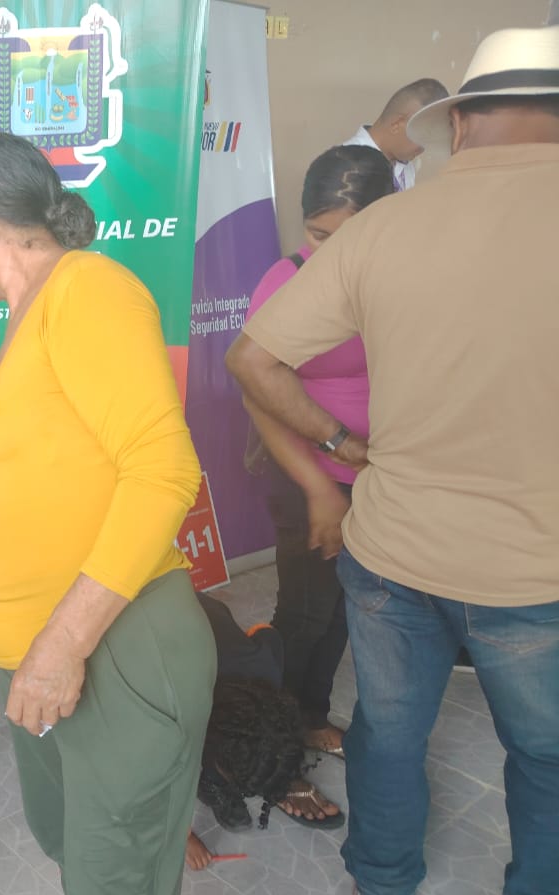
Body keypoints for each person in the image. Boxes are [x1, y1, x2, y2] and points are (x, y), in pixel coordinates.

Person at [226, 25, 559, 895]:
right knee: (545, 756)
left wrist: (347, 450)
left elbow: (253, 359)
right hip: (536, 570)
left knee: (389, 731)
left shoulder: (388, 228)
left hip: (394, 552)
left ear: (464, 124)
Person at [0, 131, 215, 895]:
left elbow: (162, 471)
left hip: (115, 647)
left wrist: (61, 643)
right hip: (51, 653)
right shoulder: (29, 314)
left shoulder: (88, 289)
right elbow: (55, 478)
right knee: (74, 852)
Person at [243, 146, 393, 790]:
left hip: (375, 478)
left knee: (342, 611)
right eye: (318, 234)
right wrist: (318, 486)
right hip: (307, 474)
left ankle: (307, 716)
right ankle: (267, 746)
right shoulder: (288, 280)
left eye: (347, 237)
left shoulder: (395, 275)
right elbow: (259, 395)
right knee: (305, 612)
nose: (330, 251)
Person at [186, 593, 337, 872]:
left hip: (193, 606)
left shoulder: (263, 666)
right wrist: (184, 837)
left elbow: (265, 632)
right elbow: (151, 784)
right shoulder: (171, 707)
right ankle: (213, 783)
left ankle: (225, 776)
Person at [342, 77, 449, 189]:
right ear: (396, 125)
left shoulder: (405, 166)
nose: (423, 149)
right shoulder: (347, 165)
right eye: (423, 136)